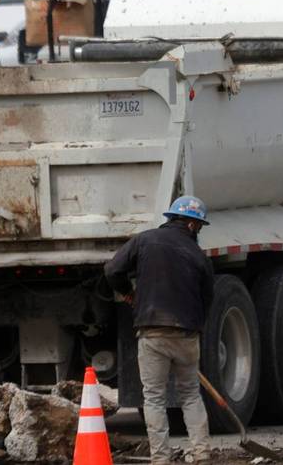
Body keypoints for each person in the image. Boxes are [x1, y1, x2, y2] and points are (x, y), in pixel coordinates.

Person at [105, 196, 215, 464]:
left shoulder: (144, 241)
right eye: (199, 226)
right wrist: (196, 327)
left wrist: (128, 293)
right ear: (191, 224)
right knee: (190, 395)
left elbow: (112, 270)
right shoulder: (198, 256)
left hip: (151, 331)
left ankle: (160, 459)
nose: (199, 231)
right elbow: (208, 298)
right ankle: (202, 454)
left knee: (154, 398)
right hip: (187, 334)